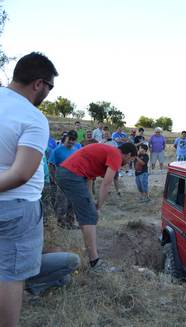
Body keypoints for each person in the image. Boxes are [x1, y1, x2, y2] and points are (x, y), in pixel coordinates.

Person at [0, 51, 57, 327]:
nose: (49, 92)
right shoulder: (33, 118)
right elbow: (21, 174)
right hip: (15, 207)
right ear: (38, 83)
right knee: (10, 274)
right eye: (50, 87)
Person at [55, 143, 137, 272]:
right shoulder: (116, 154)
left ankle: (90, 253)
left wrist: (92, 200)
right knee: (90, 215)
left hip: (67, 173)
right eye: (130, 160)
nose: (127, 164)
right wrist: (99, 205)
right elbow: (107, 183)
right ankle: (95, 263)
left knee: (87, 213)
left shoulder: (107, 152)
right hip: (71, 175)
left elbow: (89, 178)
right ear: (128, 154)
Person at [49, 130, 80, 229]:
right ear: (66, 138)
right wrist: (54, 178)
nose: (71, 141)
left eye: (73, 140)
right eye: (70, 139)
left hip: (74, 181)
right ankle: (61, 224)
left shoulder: (76, 150)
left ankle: (70, 223)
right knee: (62, 202)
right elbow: (51, 165)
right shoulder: (58, 150)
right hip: (62, 181)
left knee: (72, 203)